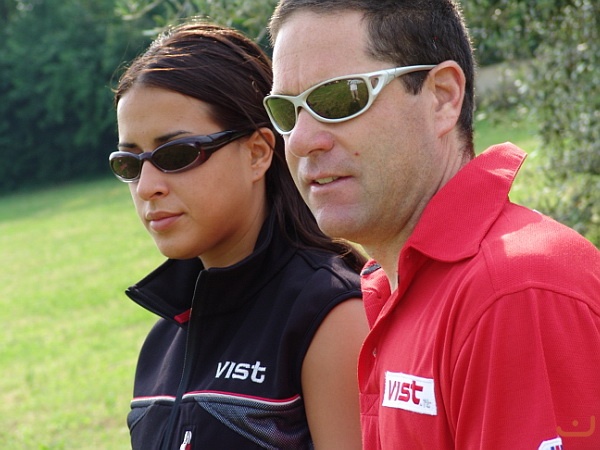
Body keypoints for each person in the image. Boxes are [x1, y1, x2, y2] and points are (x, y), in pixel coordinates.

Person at [264, 1, 600, 449]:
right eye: (286, 112)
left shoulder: (515, 291)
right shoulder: (397, 284)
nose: (301, 141)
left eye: (338, 99)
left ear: (442, 97)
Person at [109, 21, 368, 450]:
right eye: (129, 164)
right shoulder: (164, 338)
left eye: (177, 154)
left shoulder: (329, 315)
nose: (147, 186)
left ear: (258, 153)